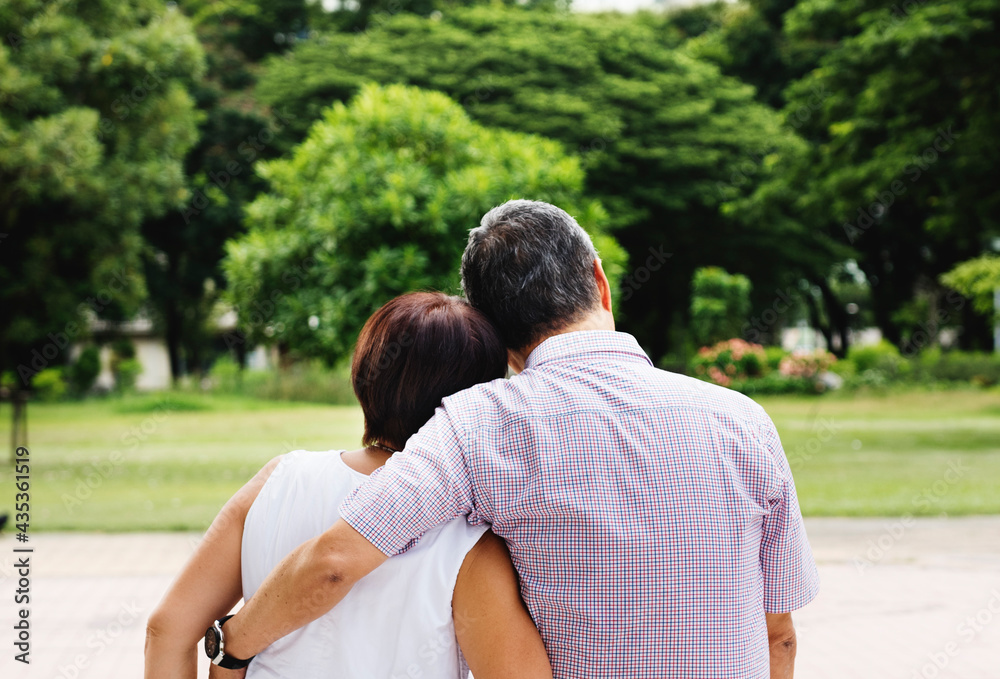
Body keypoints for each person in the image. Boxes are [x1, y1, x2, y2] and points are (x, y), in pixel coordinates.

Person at [212, 200, 821, 678]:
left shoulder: (477, 425)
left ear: (494, 330)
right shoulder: (741, 420)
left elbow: (336, 562)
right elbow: (779, 635)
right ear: (599, 280)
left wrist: (233, 647)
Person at [144, 292, 553, 679]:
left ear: (363, 376)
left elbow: (167, 630)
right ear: (477, 404)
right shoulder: (469, 536)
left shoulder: (278, 479)